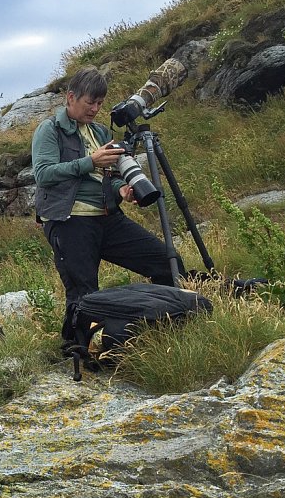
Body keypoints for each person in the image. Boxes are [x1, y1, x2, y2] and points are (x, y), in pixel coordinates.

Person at [31, 66, 179, 347]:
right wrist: (90, 162)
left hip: (108, 218)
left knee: (164, 260)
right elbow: (44, 174)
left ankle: (164, 324)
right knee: (84, 295)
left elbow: (106, 178)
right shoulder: (50, 130)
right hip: (69, 220)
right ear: (71, 97)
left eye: (99, 103)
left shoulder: (99, 131)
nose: (95, 109)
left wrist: (121, 189)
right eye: (90, 103)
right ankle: (79, 352)